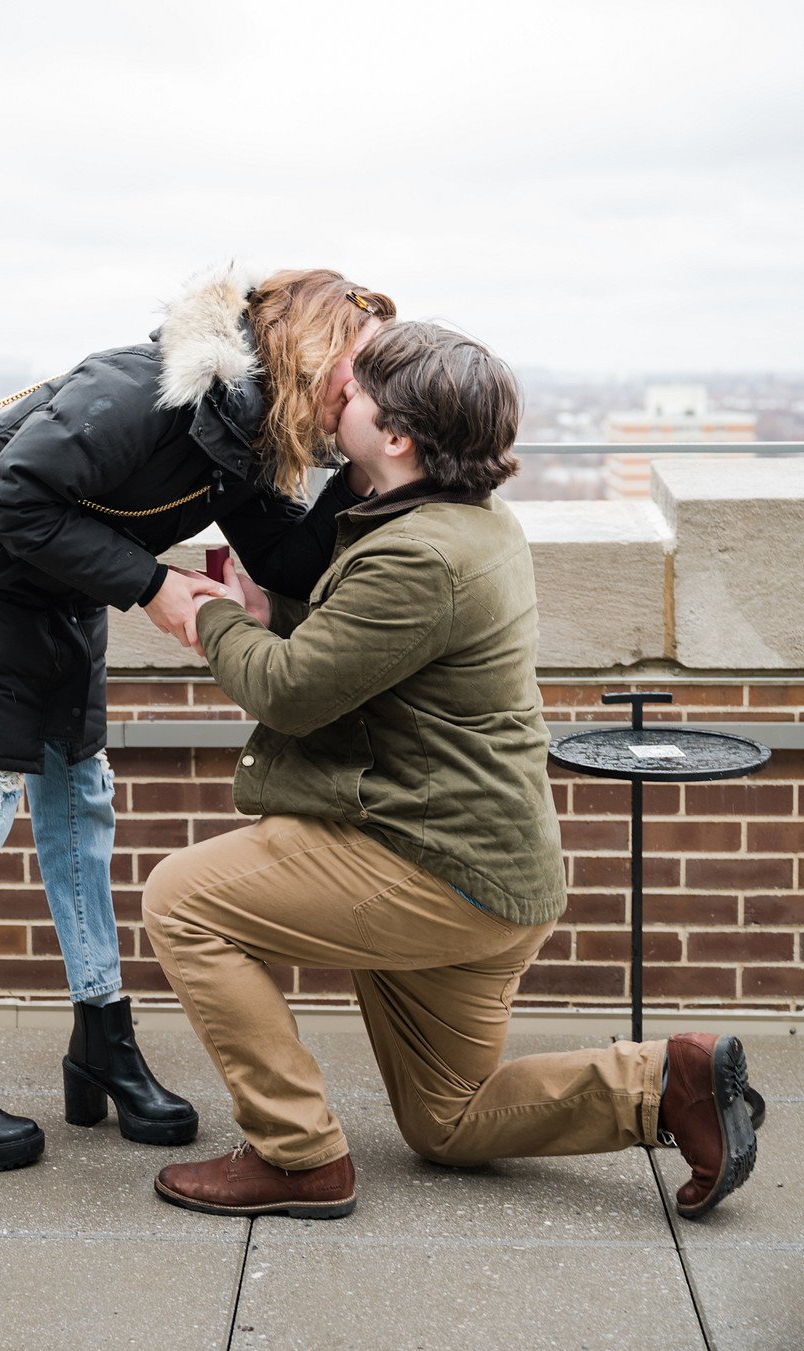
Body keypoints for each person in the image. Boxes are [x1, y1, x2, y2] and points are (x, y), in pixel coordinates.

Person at [142, 320, 761, 1221]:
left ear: (396, 437)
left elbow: (288, 692)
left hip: (431, 869)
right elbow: (356, 646)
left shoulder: (419, 553)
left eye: (352, 391)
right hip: (495, 874)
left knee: (182, 899)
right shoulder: (461, 522)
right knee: (450, 1120)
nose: (333, 395)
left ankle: (297, 1155)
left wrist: (206, 617)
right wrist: (270, 604)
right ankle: (670, 1082)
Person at [0, 267, 395, 1173]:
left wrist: (371, 473)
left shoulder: (247, 431)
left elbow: (288, 557)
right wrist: (151, 583)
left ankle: (103, 1044)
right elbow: (9, 497)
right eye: (362, 367)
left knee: (80, 818)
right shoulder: (139, 391)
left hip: (56, 607)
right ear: (314, 348)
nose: (370, 386)